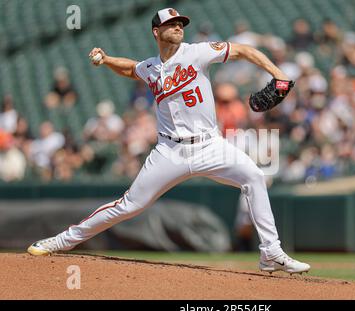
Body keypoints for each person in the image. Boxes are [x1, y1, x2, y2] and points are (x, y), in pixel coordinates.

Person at [27, 8, 310, 275]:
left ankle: (270, 252)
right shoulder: (151, 67)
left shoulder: (197, 53)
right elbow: (131, 69)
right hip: (169, 151)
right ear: (155, 32)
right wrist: (107, 59)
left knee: (255, 177)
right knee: (129, 205)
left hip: (210, 145)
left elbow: (244, 50)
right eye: (171, 25)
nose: (178, 27)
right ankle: (62, 241)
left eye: (180, 24)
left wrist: (279, 74)